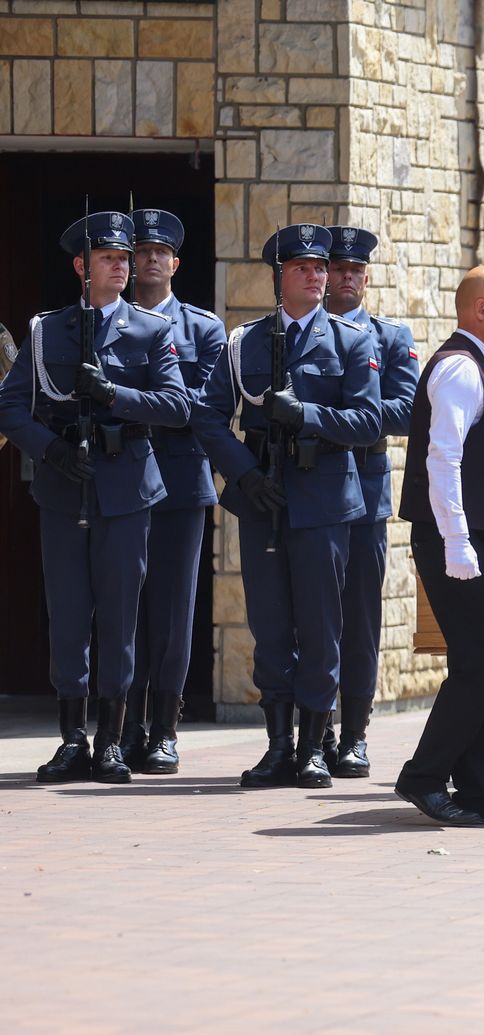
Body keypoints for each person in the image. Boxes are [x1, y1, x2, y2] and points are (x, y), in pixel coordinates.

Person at [193, 224, 382, 790]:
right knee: (271, 624)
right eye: (303, 268)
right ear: (280, 277)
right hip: (264, 496)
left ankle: (314, 747)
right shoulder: (245, 341)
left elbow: (371, 421)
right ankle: (277, 745)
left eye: (321, 268)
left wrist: (307, 416)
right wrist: (245, 476)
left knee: (322, 627)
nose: (317, 276)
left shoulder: (351, 341)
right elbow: (208, 415)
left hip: (323, 497)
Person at [0, 211, 186, 784]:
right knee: (69, 616)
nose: (122, 266)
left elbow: (177, 407)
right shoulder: (45, 331)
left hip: (126, 487)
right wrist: (49, 449)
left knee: (119, 616)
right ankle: (72, 738)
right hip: (64, 486)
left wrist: (116, 394)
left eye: (125, 258)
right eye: (109, 258)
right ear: (82, 267)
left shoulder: (152, 332)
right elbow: (10, 405)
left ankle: (111, 739)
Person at [394, 265, 484, 826]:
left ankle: (480, 788)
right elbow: (443, 459)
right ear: (478, 309)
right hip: (452, 536)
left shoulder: (479, 364)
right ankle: (424, 776)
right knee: (482, 662)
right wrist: (459, 540)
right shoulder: (460, 366)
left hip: (472, 536)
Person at [119, 208, 225, 774]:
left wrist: (132, 400)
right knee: (122, 605)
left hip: (180, 482)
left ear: (176, 263)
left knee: (172, 610)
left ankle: (164, 728)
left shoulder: (203, 328)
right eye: (141, 251)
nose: (150, 259)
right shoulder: (109, 320)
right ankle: (123, 726)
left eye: (161, 252)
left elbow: (197, 409)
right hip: (122, 480)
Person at [324, 226, 420, 779]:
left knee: (359, 618)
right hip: (310, 491)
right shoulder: (295, 336)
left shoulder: (387, 337)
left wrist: (340, 420)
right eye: (337, 270)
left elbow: (407, 411)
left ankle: (354, 733)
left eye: (355, 271)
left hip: (362, 492)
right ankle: (316, 731)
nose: (345, 279)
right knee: (312, 616)